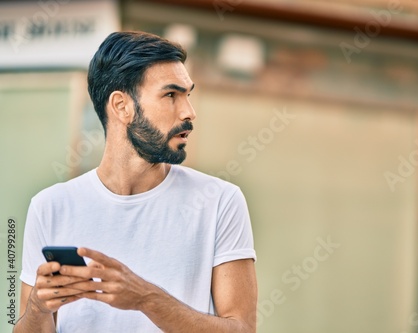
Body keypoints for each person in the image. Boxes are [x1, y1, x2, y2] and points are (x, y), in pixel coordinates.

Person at [13, 31, 257, 333]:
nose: (189, 112)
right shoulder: (49, 207)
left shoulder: (219, 201)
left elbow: (243, 329)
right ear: (121, 106)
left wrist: (145, 298)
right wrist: (37, 308)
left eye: (187, 95)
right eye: (171, 95)